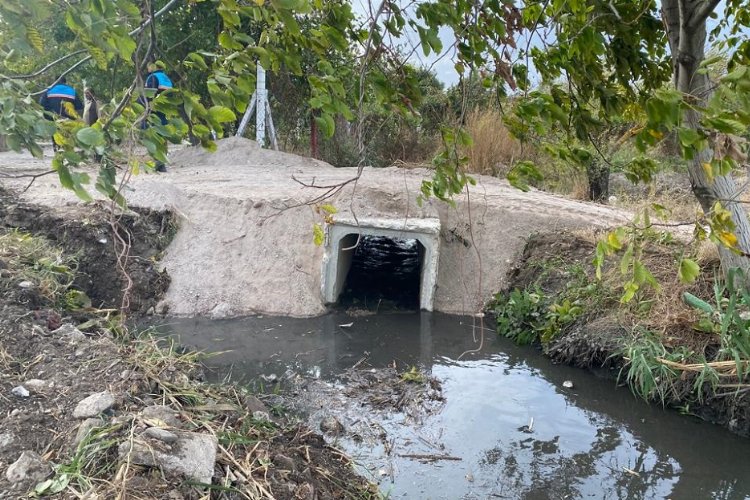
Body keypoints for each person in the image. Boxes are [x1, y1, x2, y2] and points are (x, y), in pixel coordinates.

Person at [141, 61, 173, 172]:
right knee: (162, 137)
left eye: (148, 66)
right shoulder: (166, 78)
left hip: (153, 112)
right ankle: (161, 163)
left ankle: (157, 163)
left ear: (153, 66)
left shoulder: (152, 77)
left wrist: (145, 110)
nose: (147, 68)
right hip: (164, 110)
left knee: (152, 137)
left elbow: (149, 95)